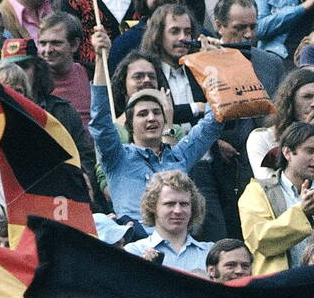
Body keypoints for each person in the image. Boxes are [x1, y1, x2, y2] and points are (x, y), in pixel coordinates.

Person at [90, 27, 222, 223]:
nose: (151, 118)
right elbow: (100, 121)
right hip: (136, 244)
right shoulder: (118, 157)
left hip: (177, 241)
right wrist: (101, 60)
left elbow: (213, 122)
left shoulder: (179, 155)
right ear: (130, 124)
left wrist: (211, 67)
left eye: (157, 112)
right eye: (142, 114)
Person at [240, 122, 314, 273]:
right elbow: (260, 241)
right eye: (310, 151)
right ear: (287, 152)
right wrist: (302, 213)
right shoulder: (258, 190)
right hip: (278, 288)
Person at [122, 170, 213, 270]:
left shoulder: (210, 253)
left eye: (184, 204)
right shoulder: (134, 252)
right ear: (152, 207)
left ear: (193, 208)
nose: (178, 211)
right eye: (170, 204)